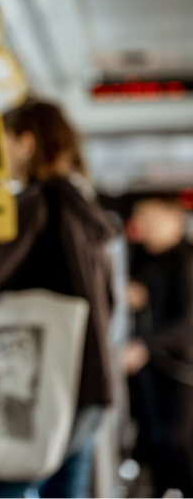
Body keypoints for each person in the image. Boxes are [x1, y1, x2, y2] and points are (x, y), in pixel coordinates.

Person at [0, 99, 116, 498]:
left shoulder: (33, 203)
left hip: (38, 383)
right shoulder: (87, 214)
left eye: (5, 142)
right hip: (91, 385)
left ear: (26, 143)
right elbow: (110, 301)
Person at [125, 197, 193, 498]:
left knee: (179, 445)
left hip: (182, 370)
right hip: (151, 370)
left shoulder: (186, 260)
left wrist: (146, 347)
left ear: (174, 219)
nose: (146, 228)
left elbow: (188, 321)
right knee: (156, 446)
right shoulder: (142, 257)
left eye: (152, 220)